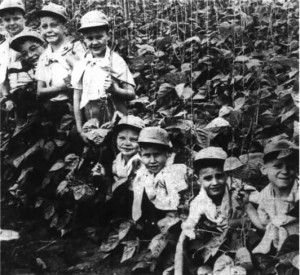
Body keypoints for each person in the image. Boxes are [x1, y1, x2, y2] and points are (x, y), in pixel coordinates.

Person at [71, 10, 136, 142]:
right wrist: (80, 128)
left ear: (108, 36)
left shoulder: (115, 60)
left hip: (117, 119)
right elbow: (77, 96)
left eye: (99, 37)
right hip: (92, 122)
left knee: (116, 149)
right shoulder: (82, 64)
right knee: (97, 154)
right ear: (84, 40)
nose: (94, 42)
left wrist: (115, 90)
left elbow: (131, 93)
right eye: (89, 38)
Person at [181, 147, 245, 273]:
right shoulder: (198, 202)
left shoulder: (238, 192)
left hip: (241, 243)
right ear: (197, 179)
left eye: (219, 176)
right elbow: (189, 226)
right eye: (208, 178)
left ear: (227, 174)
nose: (215, 182)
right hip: (216, 248)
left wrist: (235, 222)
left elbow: (258, 216)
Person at [243, 139, 299, 255]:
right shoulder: (266, 194)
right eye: (277, 166)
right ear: (264, 169)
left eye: (290, 167)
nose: (285, 171)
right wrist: (248, 206)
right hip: (278, 249)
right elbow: (265, 225)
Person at [35, 3, 86, 124]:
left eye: (54, 25)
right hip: (52, 108)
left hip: (76, 105)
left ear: (65, 27)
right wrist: (61, 86)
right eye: (44, 26)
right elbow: (39, 90)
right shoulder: (44, 56)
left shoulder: (76, 48)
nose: (49, 30)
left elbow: (82, 78)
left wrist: (70, 83)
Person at [132, 127, 188, 236]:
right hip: (151, 228)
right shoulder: (143, 175)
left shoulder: (175, 172)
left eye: (157, 155)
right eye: (147, 155)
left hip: (173, 228)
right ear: (140, 155)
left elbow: (178, 205)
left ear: (168, 153)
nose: (152, 161)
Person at [106, 115, 145, 219]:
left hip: (137, 207)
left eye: (133, 140)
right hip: (121, 207)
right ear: (115, 138)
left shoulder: (140, 162)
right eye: (122, 138)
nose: (126, 143)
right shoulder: (118, 158)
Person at [6, 31, 46, 126]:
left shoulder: (56, 61)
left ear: (43, 45)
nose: (30, 55)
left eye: (33, 49)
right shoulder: (25, 70)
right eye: (24, 53)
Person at [0, 0, 27, 112]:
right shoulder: (3, 47)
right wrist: (6, 97)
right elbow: (3, 76)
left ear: (25, 19)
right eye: (7, 20)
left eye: (16, 18)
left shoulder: (34, 41)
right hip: (13, 99)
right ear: (2, 22)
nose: (12, 23)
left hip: (34, 96)